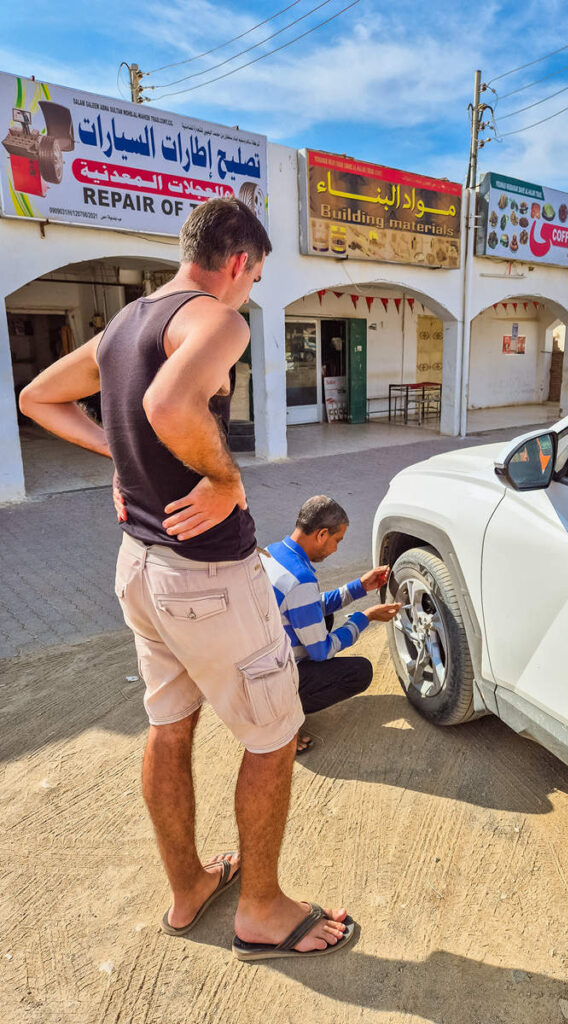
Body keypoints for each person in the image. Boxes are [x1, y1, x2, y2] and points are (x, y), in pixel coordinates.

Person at [18, 198, 354, 962]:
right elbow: (167, 401)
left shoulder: (127, 324)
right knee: (273, 739)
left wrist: (123, 458)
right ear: (238, 262)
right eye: (255, 278)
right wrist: (226, 477)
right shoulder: (218, 317)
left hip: (138, 566)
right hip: (206, 579)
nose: (248, 296)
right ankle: (262, 910)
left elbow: (38, 397)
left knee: (170, 729)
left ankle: (189, 886)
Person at [264, 496, 401, 752]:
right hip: (270, 679)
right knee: (359, 672)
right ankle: (279, 721)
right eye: (337, 541)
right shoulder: (301, 580)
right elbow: (322, 651)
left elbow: (308, 605)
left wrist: (358, 587)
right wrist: (366, 617)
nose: (336, 549)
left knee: (322, 616)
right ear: (322, 533)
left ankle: (276, 705)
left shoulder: (274, 552)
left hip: (259, 661)